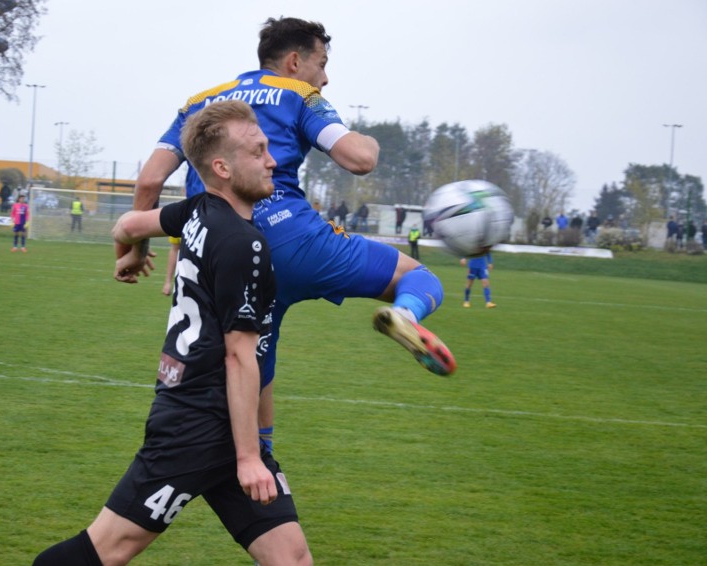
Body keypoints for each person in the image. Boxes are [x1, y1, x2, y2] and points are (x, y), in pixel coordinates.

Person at [118, 16, 456, 451]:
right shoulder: (298, 94)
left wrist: (133, 249)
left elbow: (148, 182)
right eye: (322, 63)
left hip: (222, 253)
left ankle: (261, 462)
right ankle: (405, 317)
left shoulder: (201, 103)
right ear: (295, 61)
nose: (326, 76)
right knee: (421, 280)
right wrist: (370, 140)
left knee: (255, 359)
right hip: (295, 241)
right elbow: (357, 159)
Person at [39, 100, 311, 566]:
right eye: (259, 151)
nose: (273, 161)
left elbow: (126, 223)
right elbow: (240, 358)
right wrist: (250, 458)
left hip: (227, 423)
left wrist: (128, 252)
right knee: (104, 550)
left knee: (291, 558)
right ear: (222, 167)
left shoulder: (197, 210)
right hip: (195, 426)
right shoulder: (242, 242)